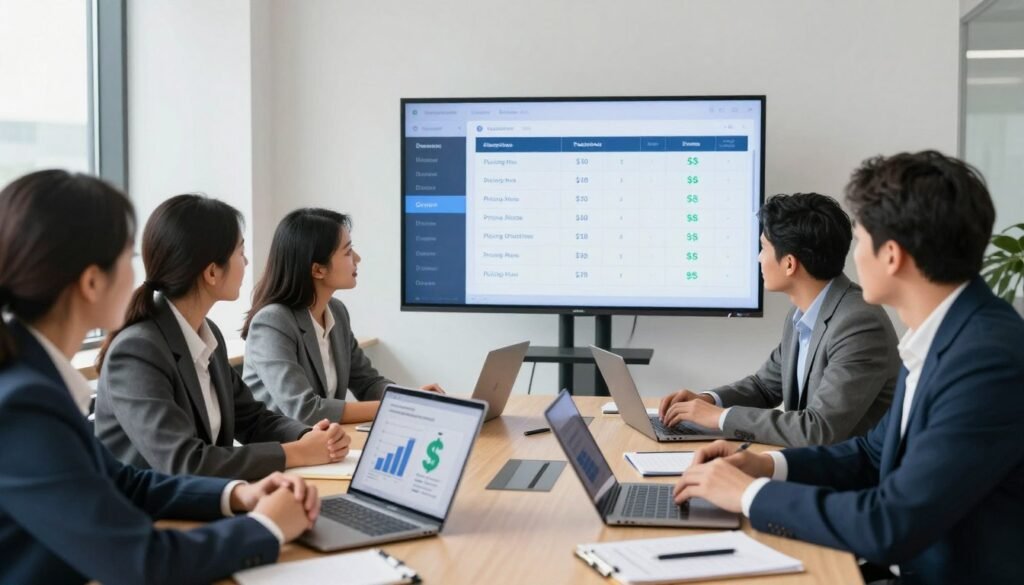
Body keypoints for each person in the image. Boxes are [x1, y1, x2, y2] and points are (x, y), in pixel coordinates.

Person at [673, 151, 1024, 584]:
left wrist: (749, 495)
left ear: (891, 256)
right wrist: (765, 468)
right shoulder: (944, 334)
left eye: (859, 240)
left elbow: (891, 524)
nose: (852, 258)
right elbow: (873, 452)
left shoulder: (986, 360)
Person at [0, 170, 319, 584]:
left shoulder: (34, 382)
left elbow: (124, 483)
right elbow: (143, 563)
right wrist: (266, 527)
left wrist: (238, 495)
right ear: (92, 282)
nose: (139, 276)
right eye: (129, 258)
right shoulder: (23, 405)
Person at [95, 195, 351, 481]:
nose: (247, 261)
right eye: (240, 252)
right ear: (212, 272)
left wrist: (310, 435)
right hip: (151, 517)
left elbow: (252, 419)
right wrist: (297, 452)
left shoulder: (206, 333)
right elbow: (185, 462)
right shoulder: (137, 350)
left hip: (205, 501)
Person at [659, 193, 900, 447]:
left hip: (849, 479)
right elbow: (764, 387)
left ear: (789, 264)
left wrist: (719, 418)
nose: (758, 258)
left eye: (763, 247)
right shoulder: (803, 313)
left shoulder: (858, 324)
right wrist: (709, 401)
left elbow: (817, 430)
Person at [242, 208, 443, 425]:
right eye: (348, 252)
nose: (357, 258)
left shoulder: (336, 311)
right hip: (284, 450)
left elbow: (367, 383)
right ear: (318, 270)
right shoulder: (273, 322)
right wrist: (402, 406)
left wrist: (412, 398)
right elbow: (305, 410)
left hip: (323, 443)